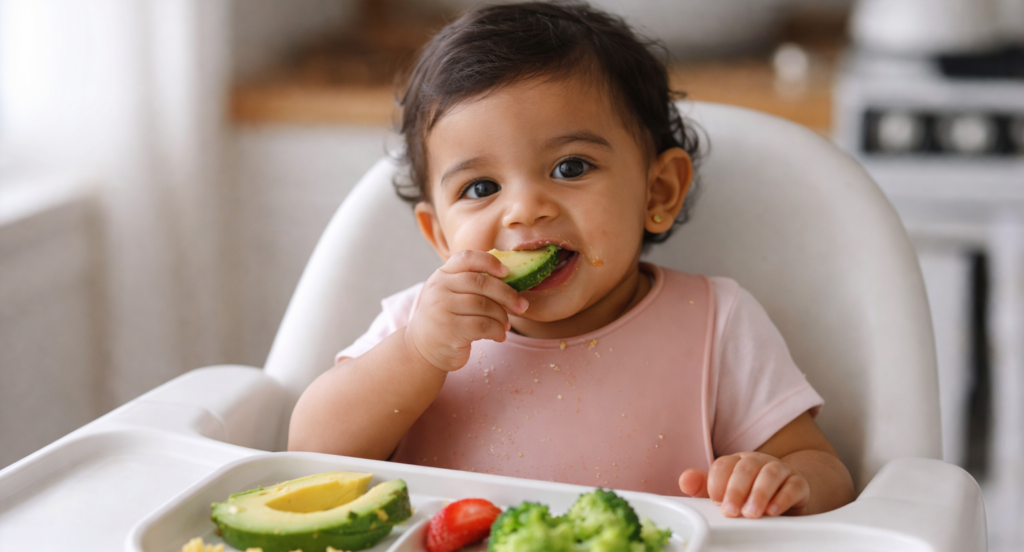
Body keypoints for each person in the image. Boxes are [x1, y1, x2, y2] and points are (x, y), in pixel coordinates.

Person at [288, 1, 854, 518]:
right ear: (439, 235)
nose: (525, 210)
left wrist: (781, 481)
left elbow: (824, 470)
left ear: (658, 193)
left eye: (570, 168)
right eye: (481, 187)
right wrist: (417, 351)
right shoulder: (417, 329)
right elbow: (311, 452)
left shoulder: (715, 321)